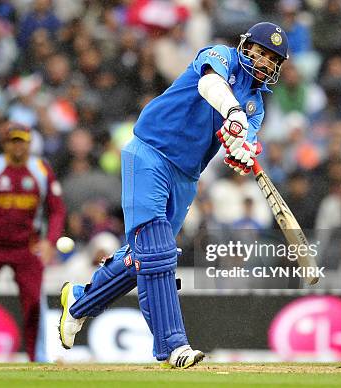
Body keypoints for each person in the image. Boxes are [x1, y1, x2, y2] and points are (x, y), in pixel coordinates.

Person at [59, 22, 289, 368]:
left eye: (270, 58)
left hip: (186, 176)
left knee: (142, 257)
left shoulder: (256, 105)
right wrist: (233, 114)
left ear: (276, 67)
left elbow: (240, 145)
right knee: (158, 252)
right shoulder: (219, 55)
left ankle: (78, 302)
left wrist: (241, 151)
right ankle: (173, 346)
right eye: (258, 51)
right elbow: (210, 84)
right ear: (245, 47)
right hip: (150, 152)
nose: (261, 60)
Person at [0, 122, 66, 361]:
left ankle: (36, 357)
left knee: (33, 303)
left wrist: (49, 242)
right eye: (14, 141)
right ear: (5, 144)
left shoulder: (41, 170)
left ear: (30, 144)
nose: (19, 147)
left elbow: (57, 210)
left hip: (27, 247)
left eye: (23, 141)